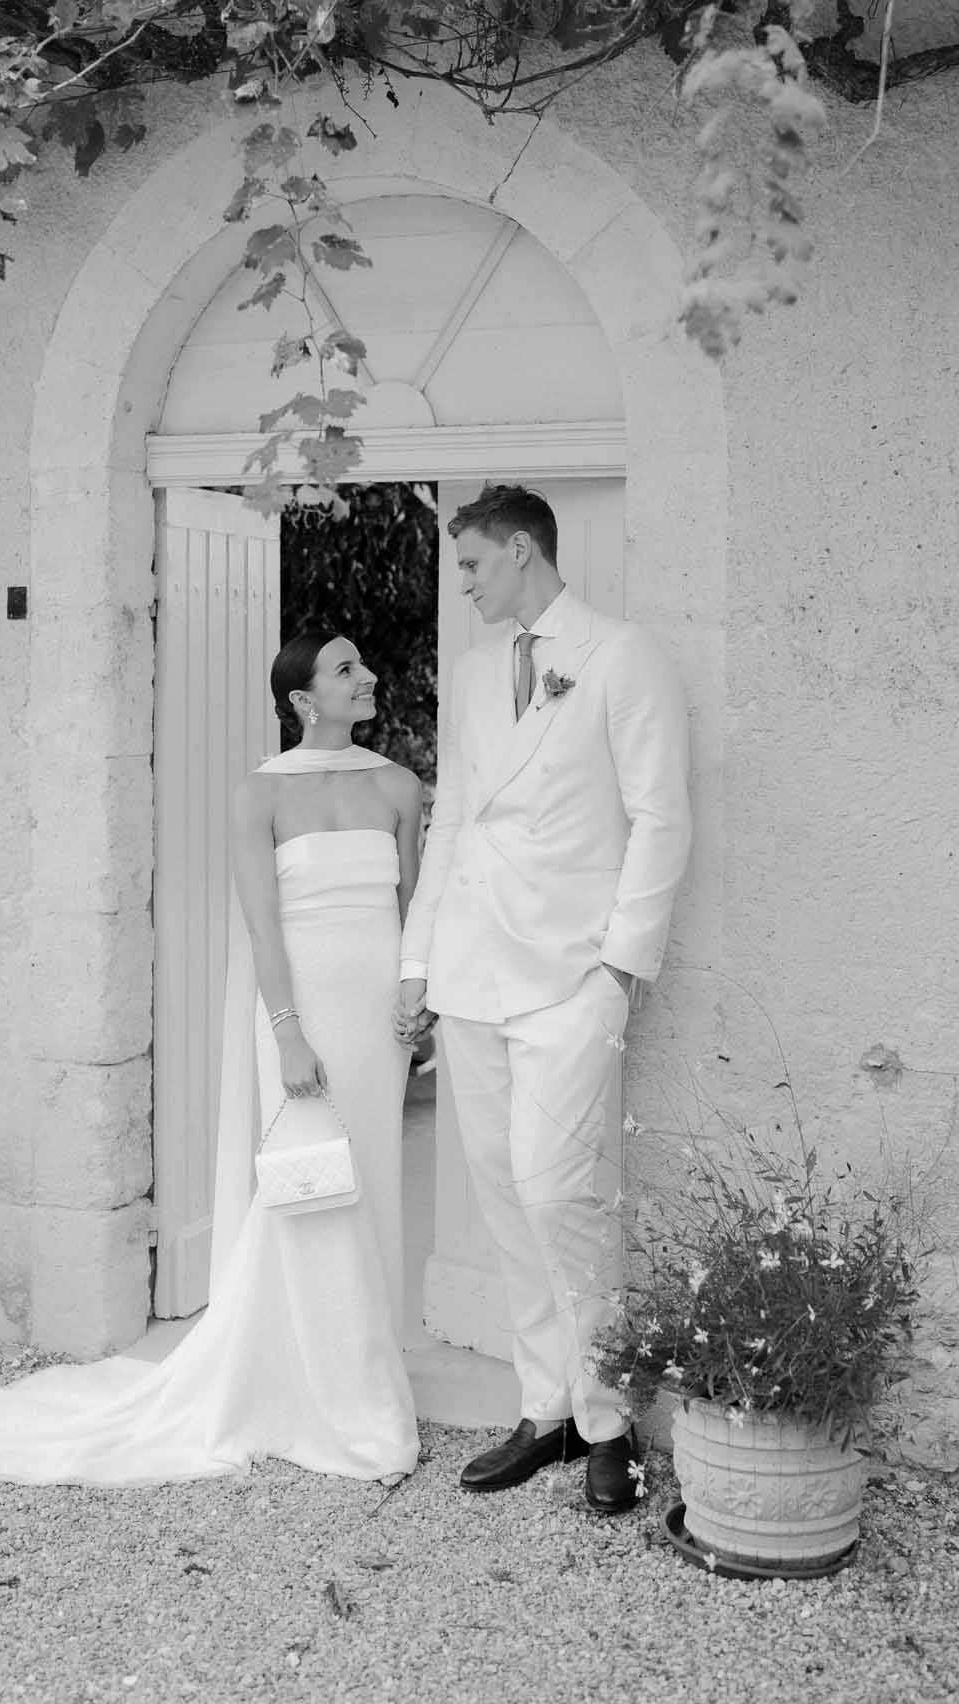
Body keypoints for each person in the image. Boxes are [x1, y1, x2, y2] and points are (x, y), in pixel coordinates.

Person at [0, 629, 424, 1486]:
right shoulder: (259, 794)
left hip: (380, 1023)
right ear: (302, 699)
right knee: (304, 1189)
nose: (368, 676)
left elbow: (413, 908)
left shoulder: (398, 785)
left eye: (362, 664)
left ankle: (363, 1372)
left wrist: (419, 999)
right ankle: (313, 1388)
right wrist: (287, 1030)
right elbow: (262, 927)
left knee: (370, 1182)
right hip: (301, 1014)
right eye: (346, 669)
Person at [396, 483, 692, 1512]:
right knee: (502, 1196)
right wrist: (418, 961)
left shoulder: (622, 655)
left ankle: (609, 1419)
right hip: (473, 970)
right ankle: (546, 1407)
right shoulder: (476, 673)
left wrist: (621, 967)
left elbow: (660, 817)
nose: (464, 583)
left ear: (522, 549)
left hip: (572, 974)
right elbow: (452, 821)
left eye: (473, 563)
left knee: (558, 1193)